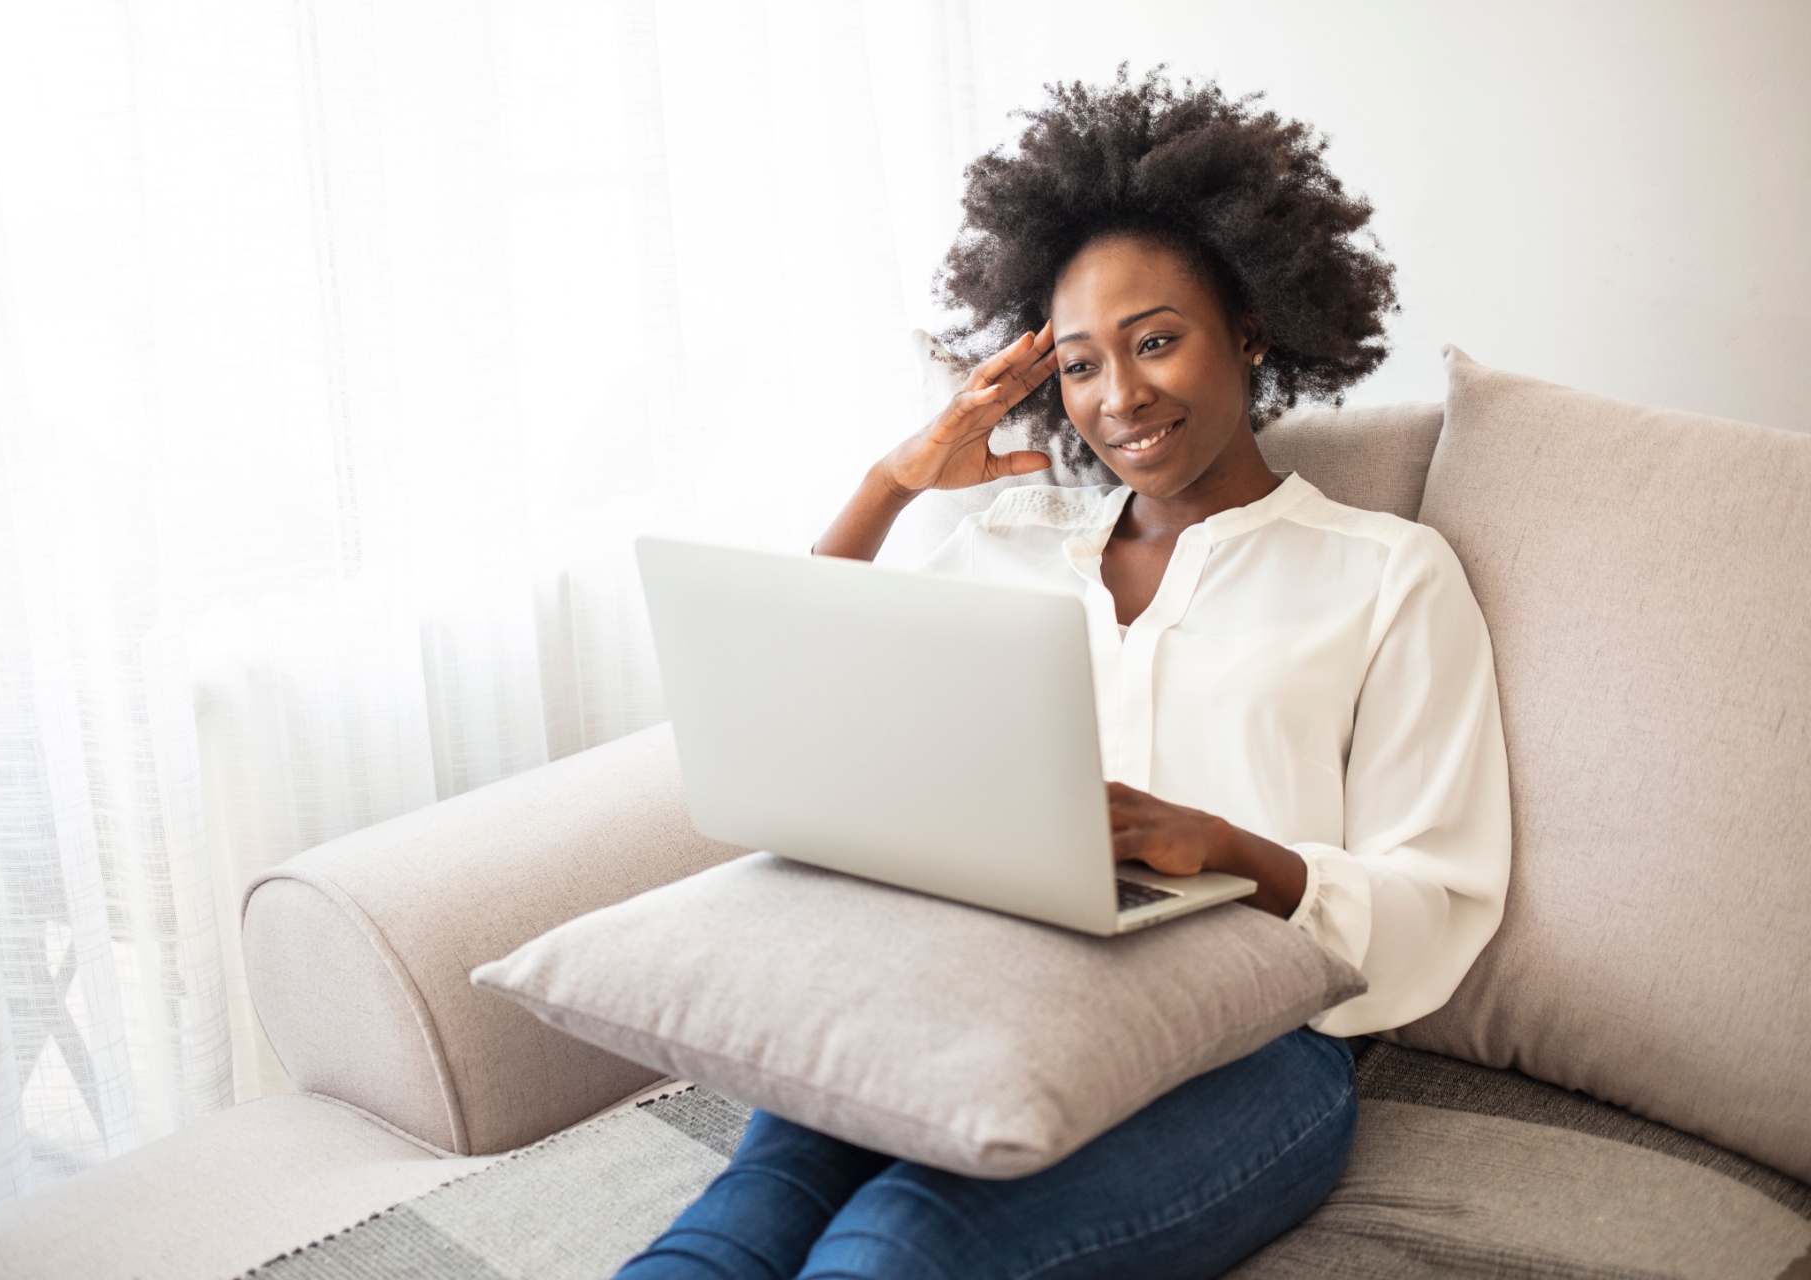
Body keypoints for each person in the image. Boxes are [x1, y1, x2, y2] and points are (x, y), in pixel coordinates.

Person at [617, 68, 1510, 1280]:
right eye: (1080, 364)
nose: (1120, 397)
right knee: (728, 1237)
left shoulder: (1389, 574)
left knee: (896, 1249)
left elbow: (1438, 900)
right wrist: (893, 483)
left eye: (1156, 342)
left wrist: (1233, 847)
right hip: (967, 989)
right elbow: (796, 700)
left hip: (1249, 1040)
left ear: (1247, 325)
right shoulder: (1005, 543)